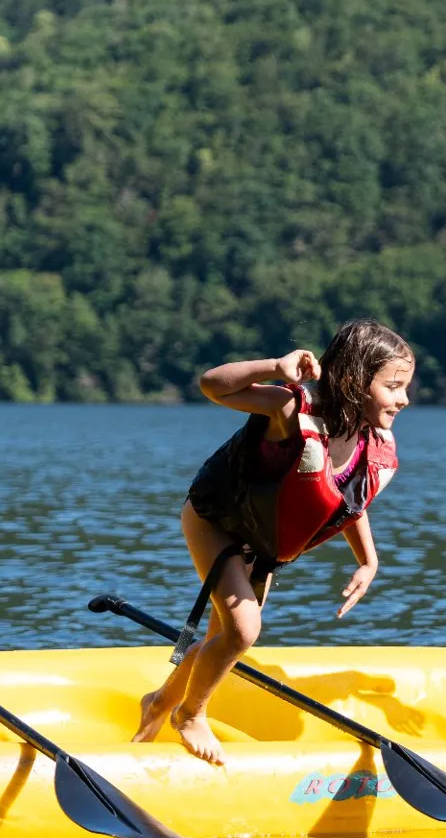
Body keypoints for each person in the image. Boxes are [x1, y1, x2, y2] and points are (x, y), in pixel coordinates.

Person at [134, 319, 414, 764]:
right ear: (355, 381)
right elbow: (212, 386)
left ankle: (159, 703)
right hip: (216, 523)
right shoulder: (290, 411)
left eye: (405, 387)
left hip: (259, 547)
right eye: (393, 386)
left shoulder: (370, 442)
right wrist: (275, 367)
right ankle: (190, 714)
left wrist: (369, 560)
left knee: (221, 637)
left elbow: (347, 501)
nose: (404, 399)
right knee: (243, 631)